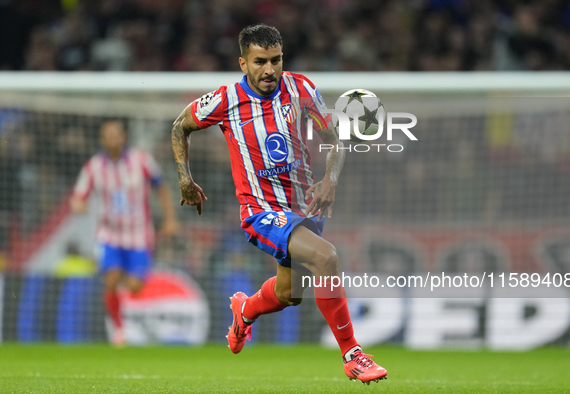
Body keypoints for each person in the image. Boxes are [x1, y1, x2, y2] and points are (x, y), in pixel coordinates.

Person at [172, 24, 387, 384]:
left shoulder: (301, 89)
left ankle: (244, 310)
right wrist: (184, 177)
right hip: (259, 210)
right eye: (260, 62)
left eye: (276, 60)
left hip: (302, 207)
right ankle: (353, 355)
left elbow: (336, 140)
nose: (269, 69)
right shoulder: (226, 100)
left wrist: (329, 181)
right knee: (326, 257)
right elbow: (180, 125)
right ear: (243, 63)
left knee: (289, 294)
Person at [71, 120, 178, 345]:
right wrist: (78, 204)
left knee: (134, 287)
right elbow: (78, 196)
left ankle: (123, 279)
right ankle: (119, 331)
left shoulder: (142, 161)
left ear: (123, 137)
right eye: (107, 134)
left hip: (138, 235)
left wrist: (169, 219)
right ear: (101, 139)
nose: (112, 138)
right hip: (109, 235)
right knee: (110, 280)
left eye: (116, 134)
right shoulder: (93, 167)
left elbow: (162, 186)